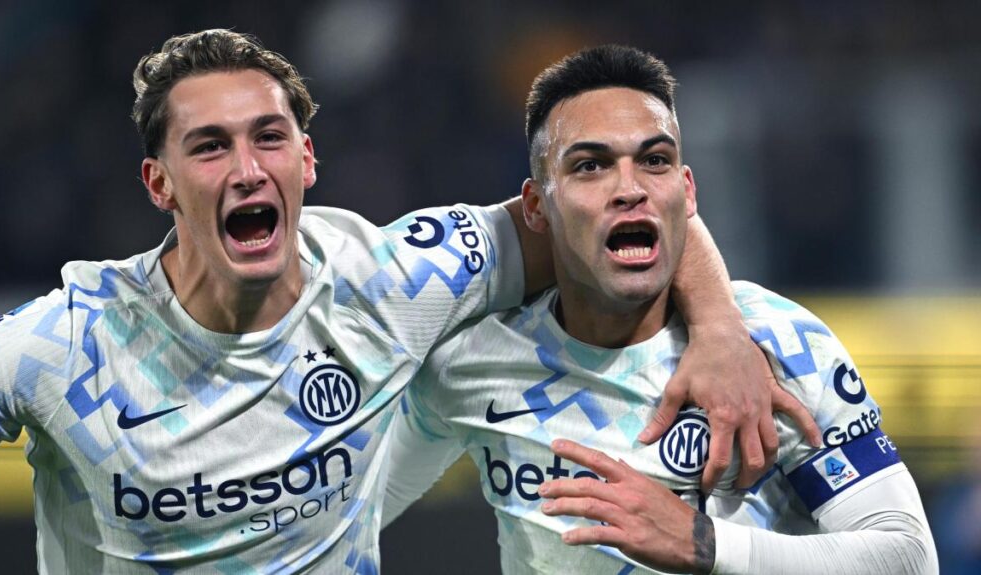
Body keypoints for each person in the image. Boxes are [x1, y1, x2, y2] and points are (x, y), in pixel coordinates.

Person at [0, 30, 801, 573]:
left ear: (306, 161)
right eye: (209, 148)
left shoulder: (394, 282)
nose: (247, 169)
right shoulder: (66, 343)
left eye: (269, 138)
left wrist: (719, 328)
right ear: (159, 183)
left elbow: (614, 210)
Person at [384, 45, 937, 574]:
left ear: (687, 191)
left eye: (654, 160)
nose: (630, 189)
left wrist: (704, 542)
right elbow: (364, 505)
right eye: (590, 166)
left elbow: (909, 558)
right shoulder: (475, 359)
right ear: (535, 208)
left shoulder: (778, 344)